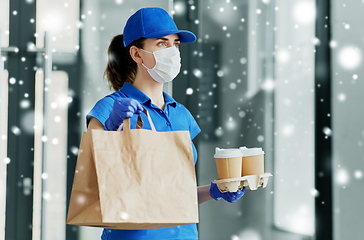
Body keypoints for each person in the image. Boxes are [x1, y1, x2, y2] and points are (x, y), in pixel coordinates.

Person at [86, 7, 245, 240]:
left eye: (176, 44)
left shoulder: (181, 115)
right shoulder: (110, 108)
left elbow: (171, 196)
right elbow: (91, 176)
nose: (172, 51)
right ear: (137, 54)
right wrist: (110, 130)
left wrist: (214, 191)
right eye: (162, 43)